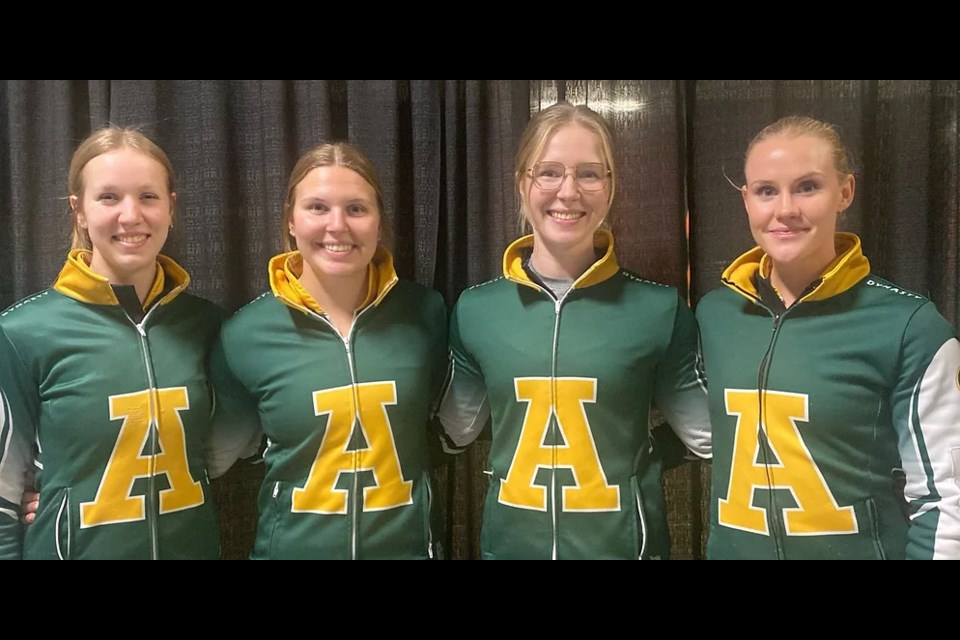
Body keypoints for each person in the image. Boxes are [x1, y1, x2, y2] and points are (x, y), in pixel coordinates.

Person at [435, 101, 711, 560]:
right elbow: (454, 432)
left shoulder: (659, 310)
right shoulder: (476, 309)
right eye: (548, 172)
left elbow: (706, 435)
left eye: (589, 173)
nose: (568, 191)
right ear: (521, 184)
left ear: (610, 186)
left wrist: (644, 457)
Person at [696, 115, 960, 560]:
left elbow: (947, 497)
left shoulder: (909, 324)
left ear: (845, 192)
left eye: (807, 187)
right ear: (746, 200)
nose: (785, 209)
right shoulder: (714, 314)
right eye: (766, 191)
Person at [207, 142, 448, 560]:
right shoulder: (245, 334)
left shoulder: (426, 313)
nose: (337, 225)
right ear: (291, 222)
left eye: (356, 209)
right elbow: (221, 452)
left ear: (378, 222)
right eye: (317, 208)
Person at [0, 126, 224, 559]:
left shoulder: (206, 324)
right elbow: (5, 488)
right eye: (108, 197)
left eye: (148, 196)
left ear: (171, 208)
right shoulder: (22, 332)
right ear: (78, 211)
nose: (130, 215)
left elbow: (228, 445)